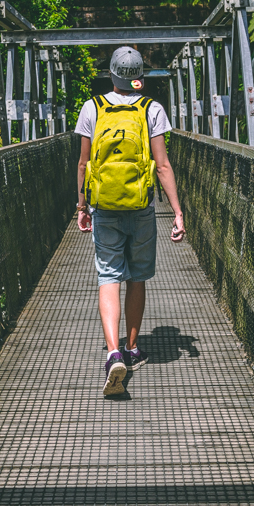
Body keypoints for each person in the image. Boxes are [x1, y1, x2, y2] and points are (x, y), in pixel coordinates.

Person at [75, 46, 185, 396]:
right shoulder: (150, 108)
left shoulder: (92, 108)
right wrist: (178, 211)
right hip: (140, 206)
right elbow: (163, 164)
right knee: (137, 276)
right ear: (140, 74)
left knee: (108, 275)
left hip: (104, 206)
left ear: (111, 73)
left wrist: (81, 206)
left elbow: (83, 164)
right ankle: (133, 348)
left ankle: (113, 351)